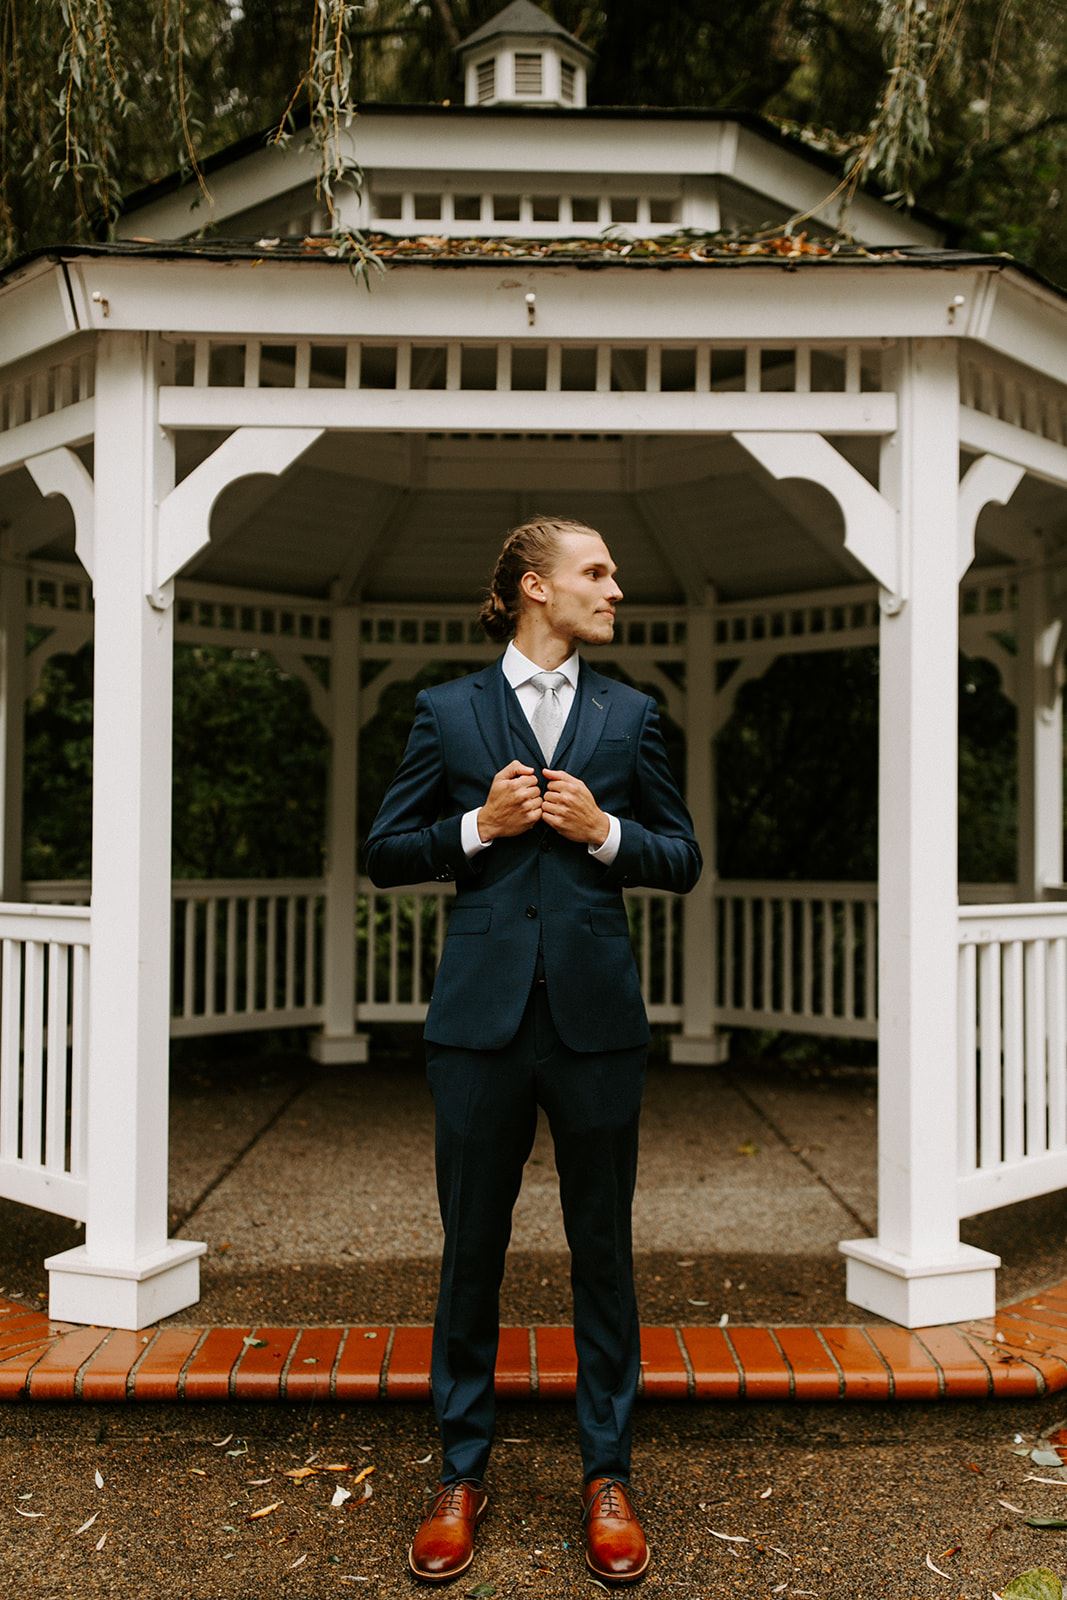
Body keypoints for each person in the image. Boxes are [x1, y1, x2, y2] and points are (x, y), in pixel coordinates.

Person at [364, 516, 701, 1586]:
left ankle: (607, 1473)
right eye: (595, 572)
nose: (615, 588)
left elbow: (682, 856)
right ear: (532, 587)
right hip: (478, 1029)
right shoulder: (445, 709)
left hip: (597, 1027)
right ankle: (460, 1471)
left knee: (601, 1252)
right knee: (471, 1251)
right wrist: (478, 827)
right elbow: (383, 851)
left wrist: (604, 830)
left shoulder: (631, 713)